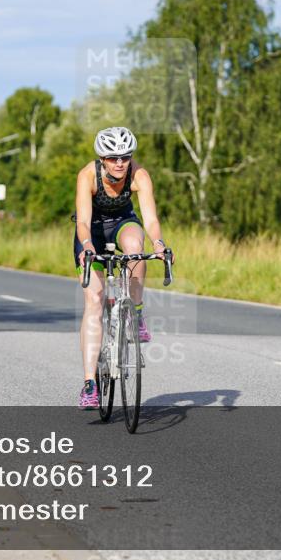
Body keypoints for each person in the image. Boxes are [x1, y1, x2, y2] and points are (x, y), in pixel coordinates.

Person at [73, 126, 174, 409]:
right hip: (91, 231)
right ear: (102, 159)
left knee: (135, 247)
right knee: (94, 300)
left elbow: (150, 219)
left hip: (122, 223)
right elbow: (83, 221)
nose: (120, 163)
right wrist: (87, 246)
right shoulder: (88, 175)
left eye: (125, 157)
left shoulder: (139, 175)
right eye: (113, 158)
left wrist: (158, 243)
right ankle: (90, 384)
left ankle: (136, 313)